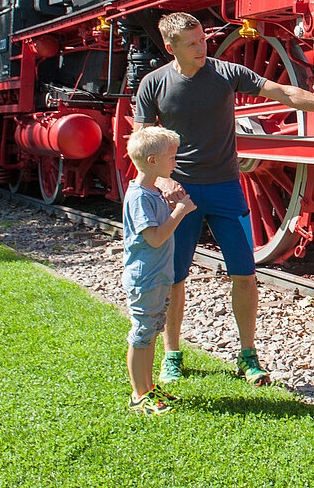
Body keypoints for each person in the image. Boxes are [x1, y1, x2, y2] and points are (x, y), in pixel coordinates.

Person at [133, 11, 314, 386]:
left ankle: (248, 356)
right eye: (192, 44)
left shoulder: (226, 73)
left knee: (245, 274)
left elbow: (285, 92)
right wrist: (161, 183)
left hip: (227, 187)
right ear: (170, 47)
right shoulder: (153, 84)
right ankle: (172, 355)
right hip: (180, 193)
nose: (201, 48)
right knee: (175, 279)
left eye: (203, 40)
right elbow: (142, 143)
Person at [122, 125, 196, 414]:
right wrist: (179, 212)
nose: (175, 163)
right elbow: (154, 238)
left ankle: (149, 388)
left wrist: (169, 206)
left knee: (151, 332)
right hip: (145, 277)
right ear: (152, 161)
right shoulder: (140, 197)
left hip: (157, 275)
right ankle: (139, 394)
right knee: (141, 335)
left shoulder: (151, 193)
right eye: (171, 158)